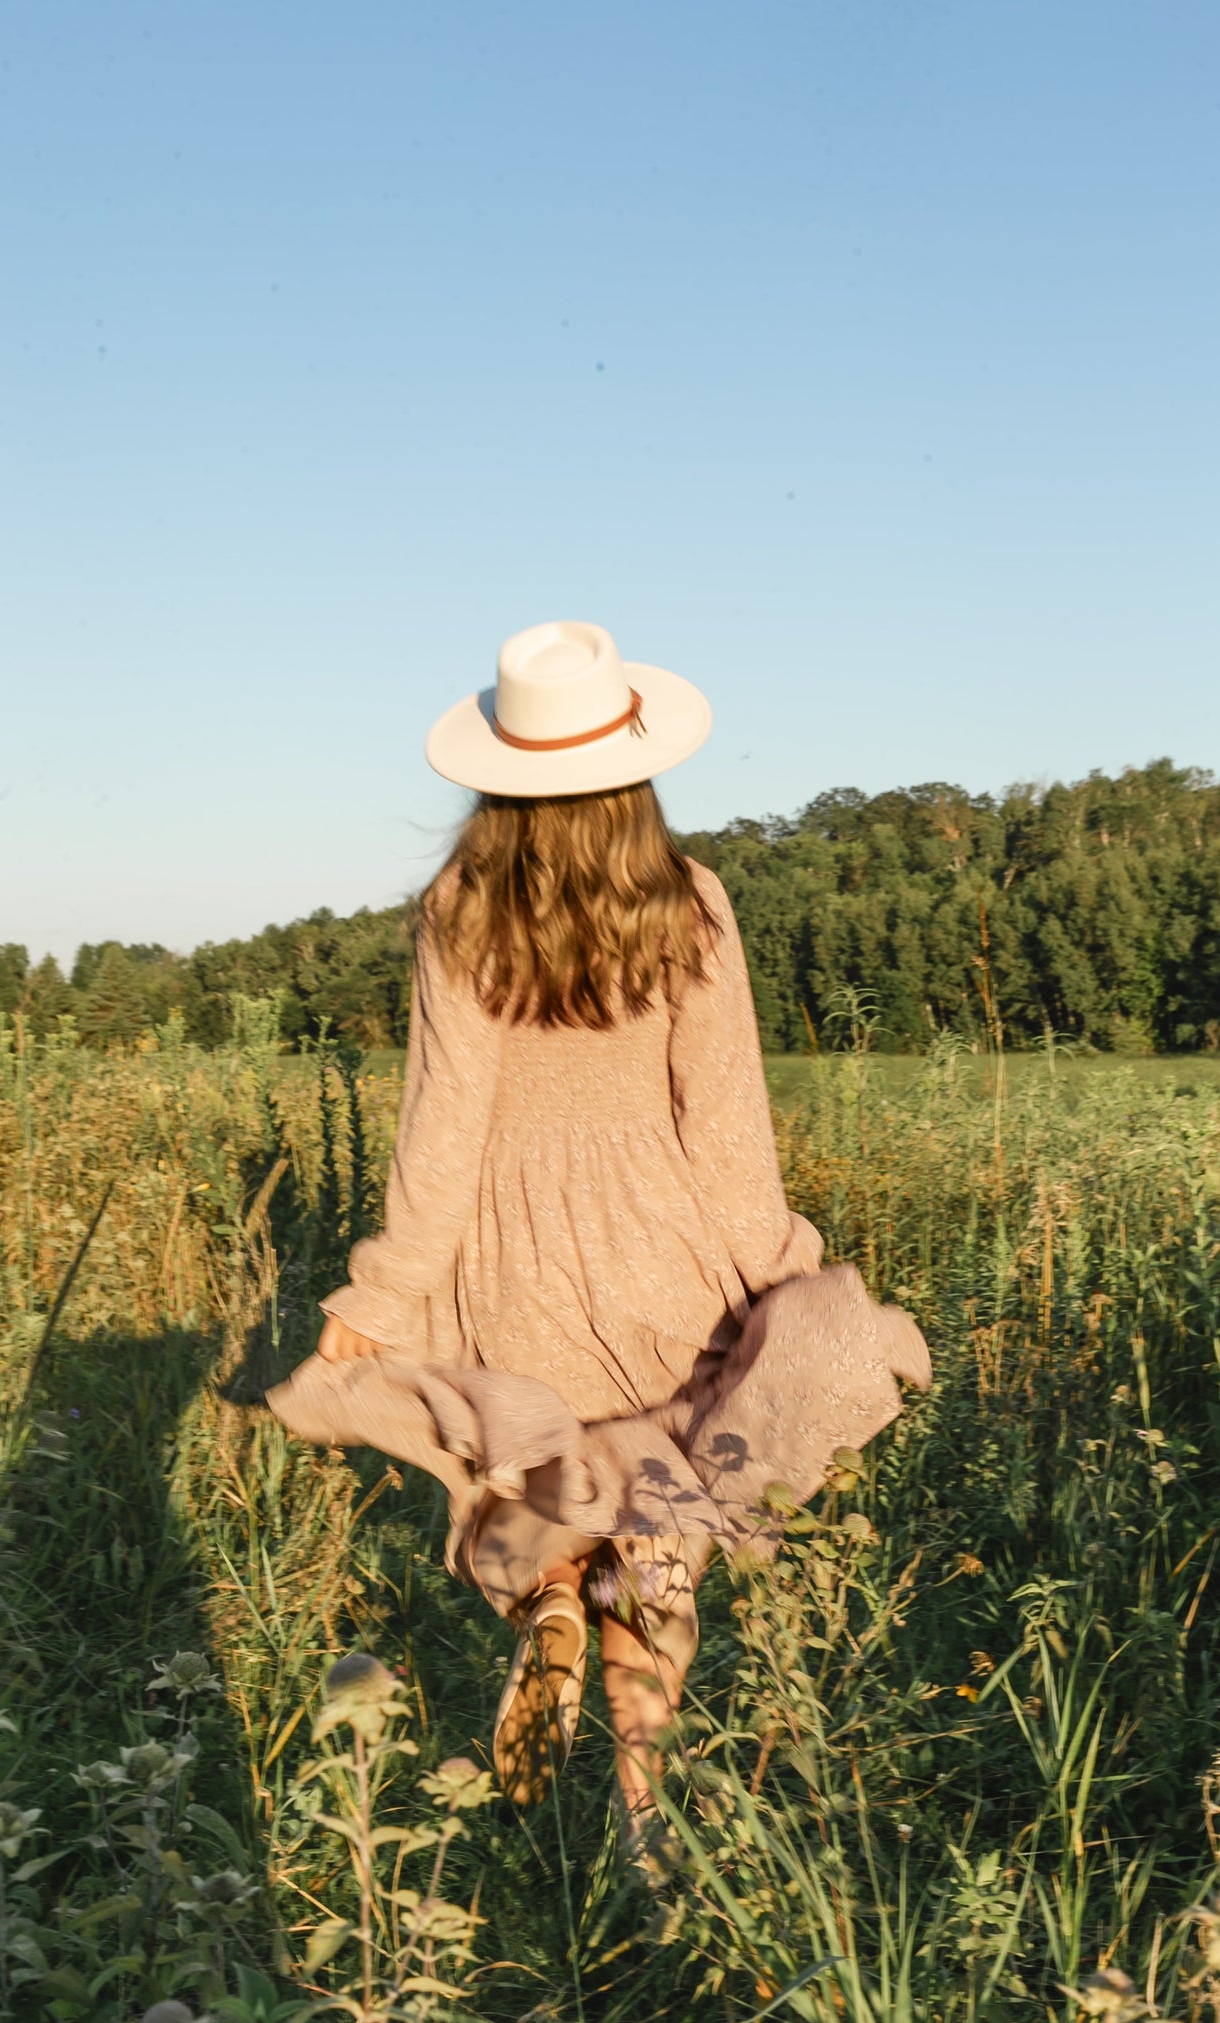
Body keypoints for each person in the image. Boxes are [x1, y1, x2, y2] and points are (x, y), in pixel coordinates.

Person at [268, 620, 929, 1834]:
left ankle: (553, 1609)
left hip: (507, 1274)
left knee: (542, 1502)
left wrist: (378, 1295)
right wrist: (785, 1276)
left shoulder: (458, 909)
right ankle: (643, 1825)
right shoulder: (689, 903)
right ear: (633, 768)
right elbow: (726, 1127)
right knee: (660, 1533)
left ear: (497, 776)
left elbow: (441, 1132)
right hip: (664, 1261)